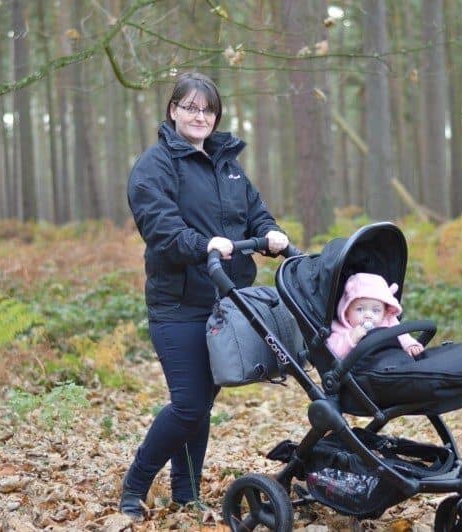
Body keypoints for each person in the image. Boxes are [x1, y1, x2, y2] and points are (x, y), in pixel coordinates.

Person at [120, 72, 289, 519]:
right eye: (190, 107)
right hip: (177, 304)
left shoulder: (227, 164)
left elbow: (254, 212)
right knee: (189, 402)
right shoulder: (154, 167)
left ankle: (185, 492)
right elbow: (163, 230)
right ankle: (134, 487)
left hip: (228, 304)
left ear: (216, 117)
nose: (200, 116)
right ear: (173, 110)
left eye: (208, 109)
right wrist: (205, 244)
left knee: (201, 405)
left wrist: (269, 233)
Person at [327, 272, 425, 359]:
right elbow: (332, 355)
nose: (368, 315)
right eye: (360, 309)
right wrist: (350, 339)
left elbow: (403, 337)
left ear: (385, 313)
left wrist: (410, 345)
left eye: (376, 310)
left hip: (390, 363)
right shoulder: (340, 329)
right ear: (346, 312)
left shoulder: (388, 322)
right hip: (364, 372)